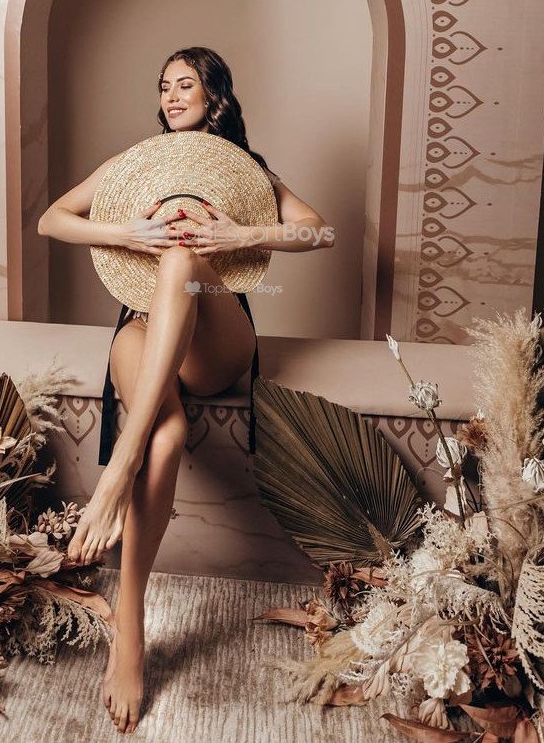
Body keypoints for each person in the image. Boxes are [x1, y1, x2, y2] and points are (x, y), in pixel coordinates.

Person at [36, 46, 334, 734]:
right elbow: (52, 218)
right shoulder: (136, 163)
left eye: (186, 85)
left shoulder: (247, 168)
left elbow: (322, 230)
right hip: (141, 326)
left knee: (182, 260)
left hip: (214, 334)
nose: (172, 96)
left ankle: (116, 470)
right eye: (164, 86)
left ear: (213, 95)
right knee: (166, 436)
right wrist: (125, 230)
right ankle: (131, 628)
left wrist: (242, 232)